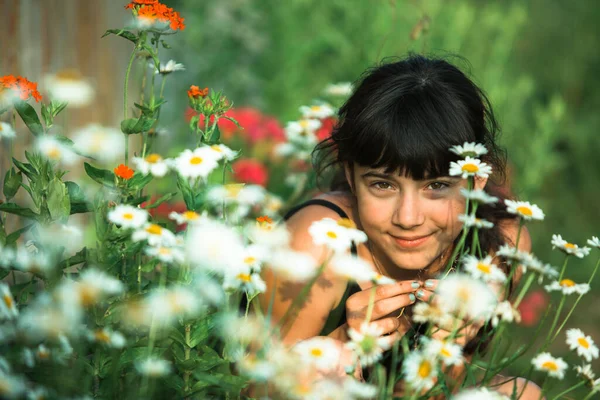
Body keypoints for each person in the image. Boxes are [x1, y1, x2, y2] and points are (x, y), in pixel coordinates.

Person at [257, 54, 543, 398]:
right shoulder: (315, 245)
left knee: (523, 393)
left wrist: (447, 354)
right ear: (350, 175)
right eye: (382, 184)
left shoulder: (499, 247)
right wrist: (341, 347)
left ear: (477, 179)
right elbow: (251, 388)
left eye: (436, 186)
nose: (408, 218)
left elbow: (437, 391)